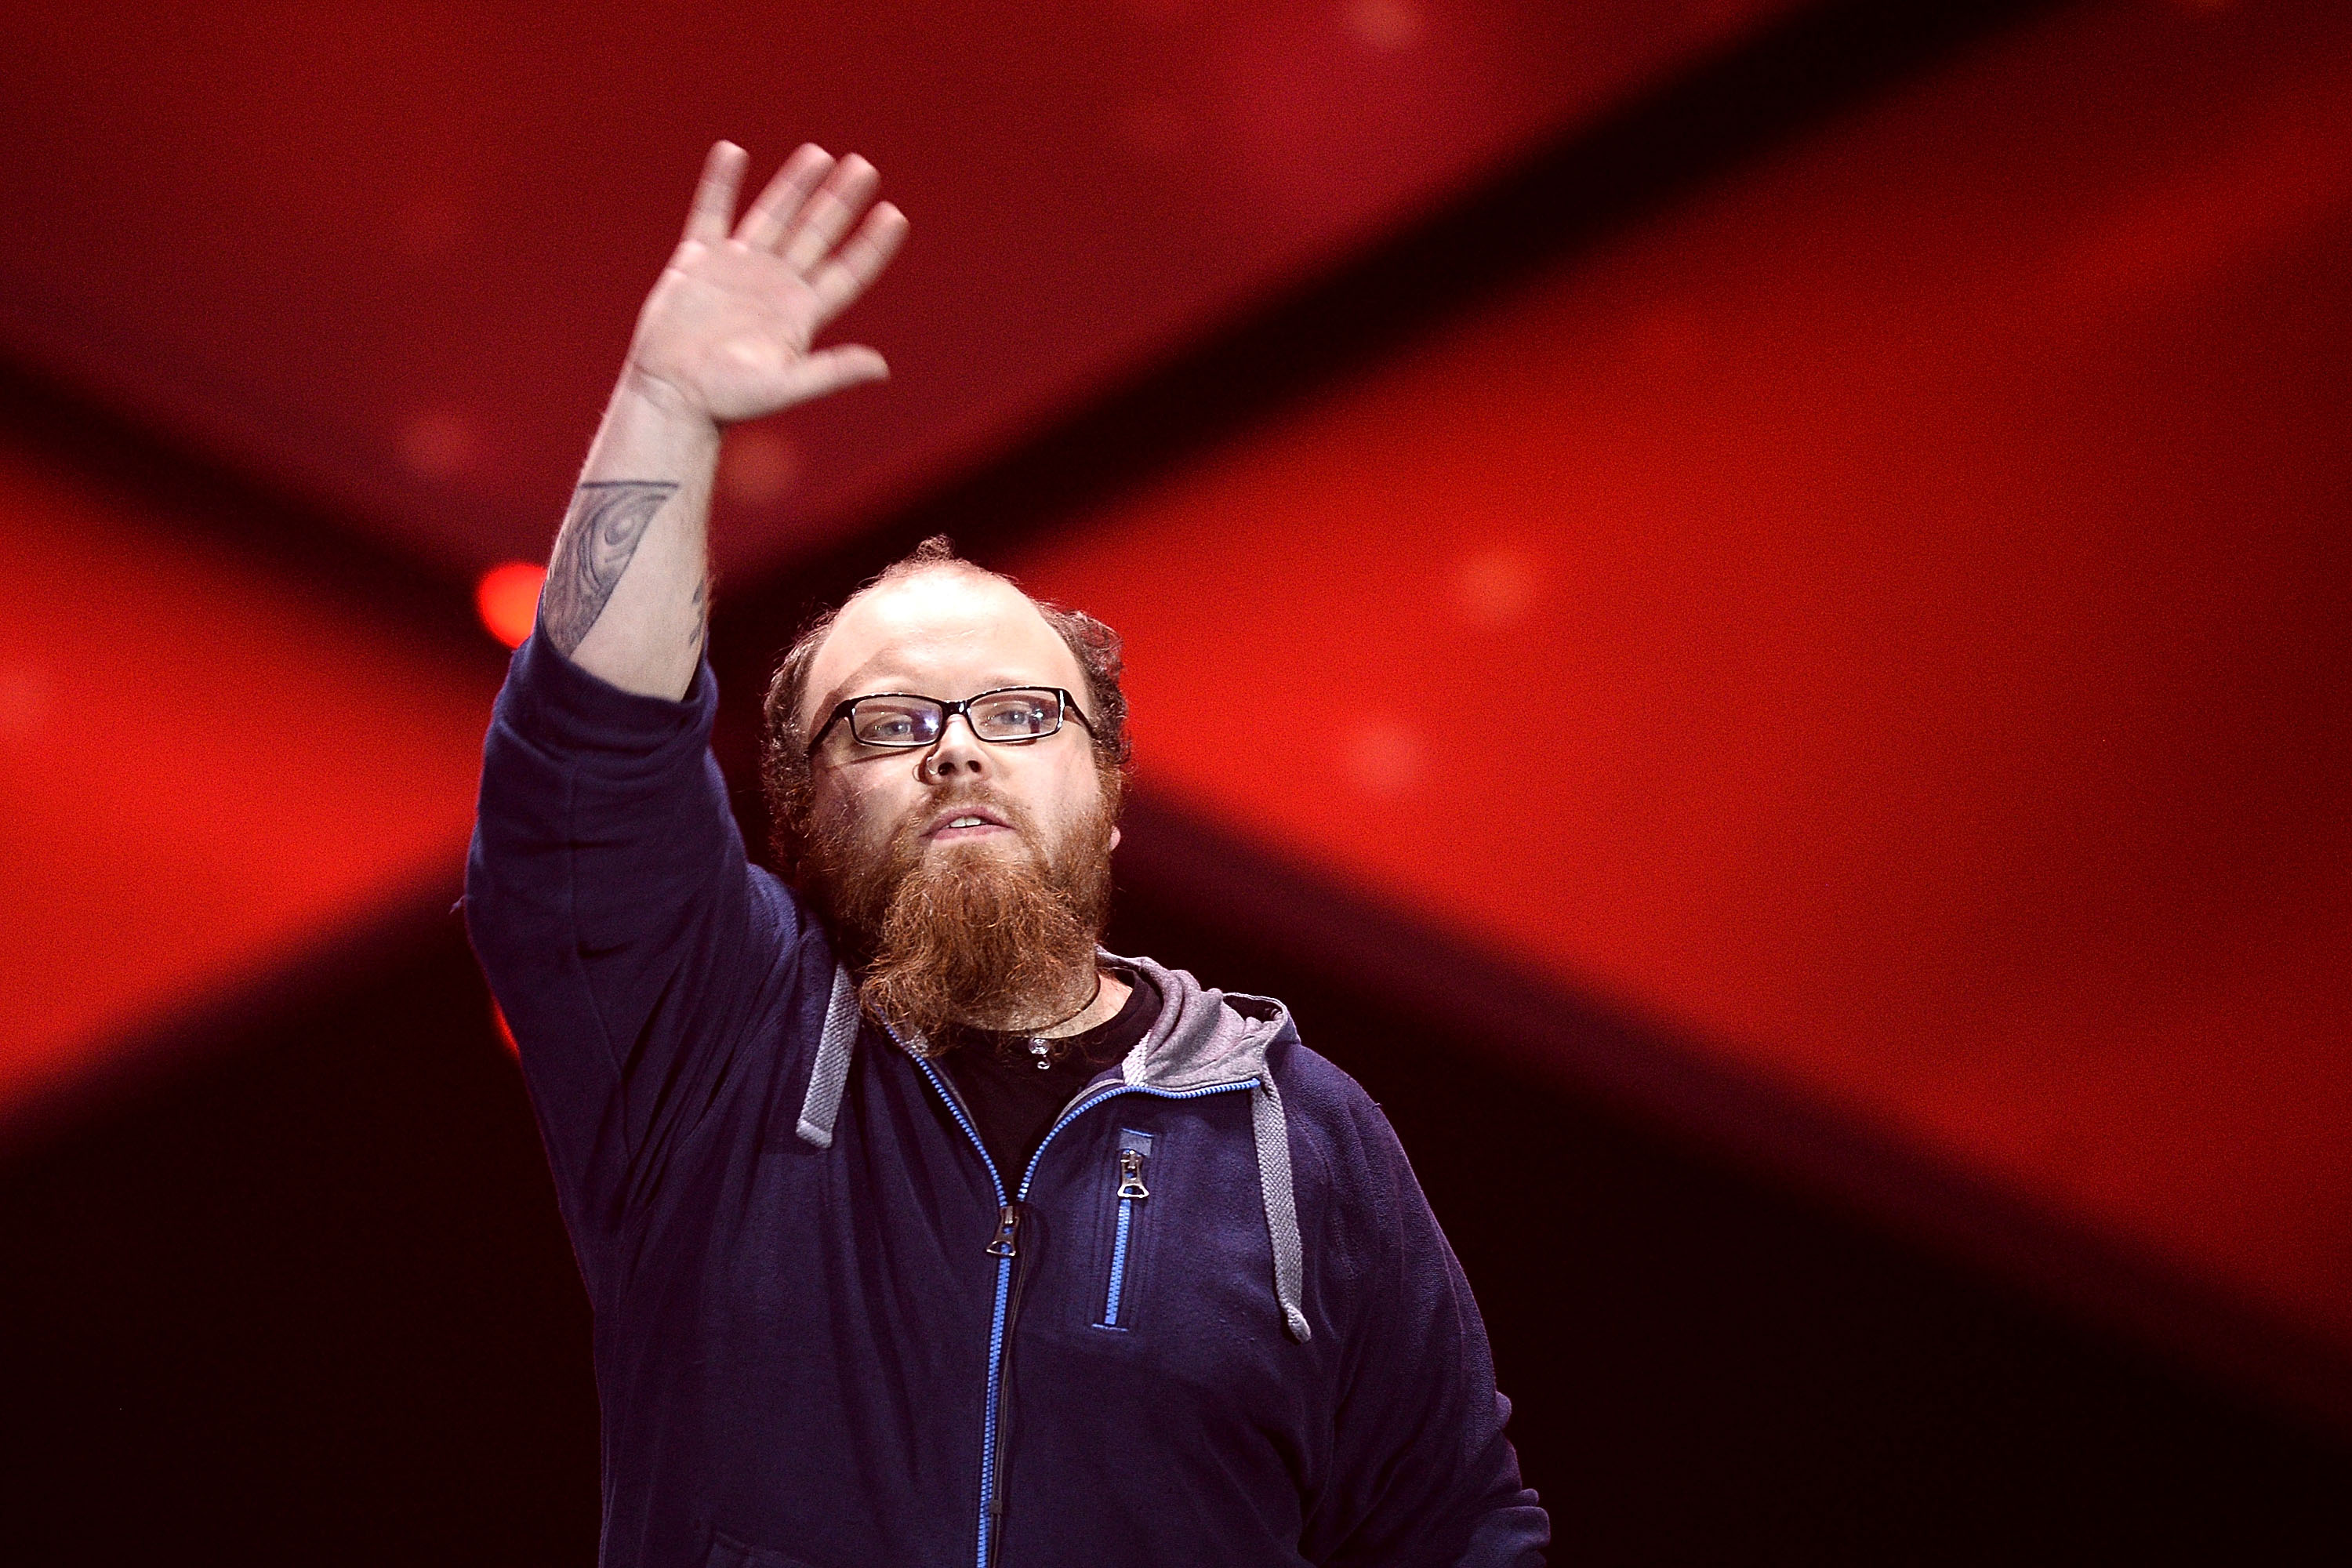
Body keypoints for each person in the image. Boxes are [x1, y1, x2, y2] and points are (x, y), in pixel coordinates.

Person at [466, 140, 1548, 1568]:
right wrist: (668, 410)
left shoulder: (1298, 1134)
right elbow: (586, 774)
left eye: (1017, 711)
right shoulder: (712, 1047)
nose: (957, 748)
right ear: (796, 812)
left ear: (1105, 793)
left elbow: (1456, 1534)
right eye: (890, 719)